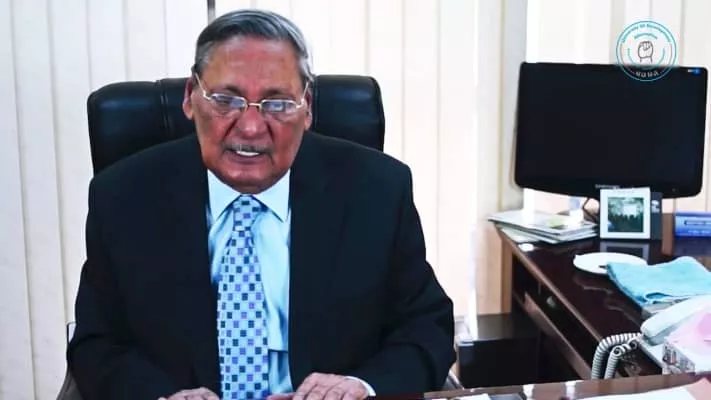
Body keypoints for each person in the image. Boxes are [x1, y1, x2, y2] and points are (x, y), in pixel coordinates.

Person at [68, 9, 455, 400]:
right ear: (190, 98)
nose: (251, 128)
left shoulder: (377, 190)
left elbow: (426, 327)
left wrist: (359, 387)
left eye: (277, 103)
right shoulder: (123, 197)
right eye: (226, 100)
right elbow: (96, 343)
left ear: (307, 107)